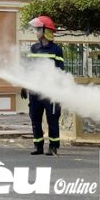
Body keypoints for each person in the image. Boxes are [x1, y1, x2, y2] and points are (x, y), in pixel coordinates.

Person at [24, 15, 64, 156]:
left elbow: (60, 71)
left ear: (45, 30)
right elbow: (29, 68)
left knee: (52, 119)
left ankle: (53, 146)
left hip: (50, 91)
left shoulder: (56, 50)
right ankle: (38, 145)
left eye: (37, 29)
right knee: (35, 118)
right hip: (35, 91)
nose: (35, 32)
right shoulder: (34, 48)